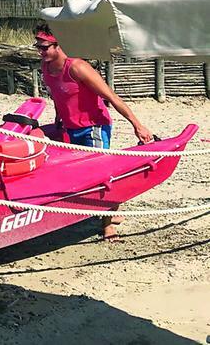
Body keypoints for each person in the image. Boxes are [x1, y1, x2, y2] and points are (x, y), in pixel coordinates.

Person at [34, 22, 153, 242]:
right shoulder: (46, 66)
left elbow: (111, 97)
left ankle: (109, 227)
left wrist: (137, 124)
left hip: (94, 128)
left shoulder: (78, 67)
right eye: (38, 46)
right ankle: (111, 207)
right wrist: (58, 120)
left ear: (58, 45)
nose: (40, 51)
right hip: (70, 128)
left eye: (44, 47)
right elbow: (59, 97)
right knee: (75, 171)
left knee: (101, 175)